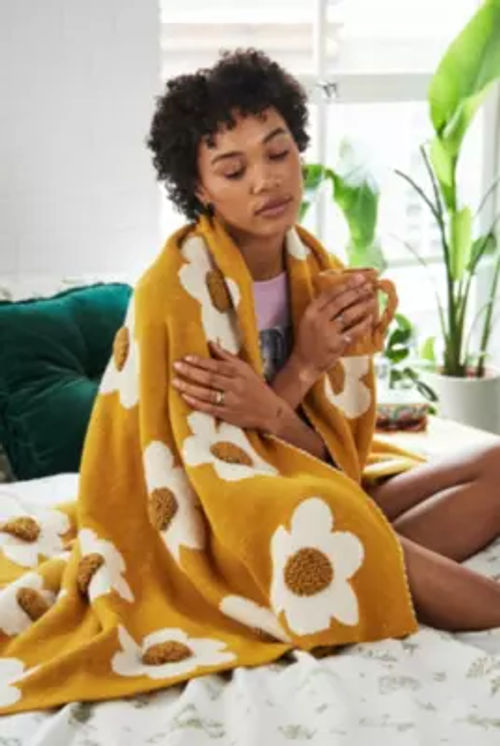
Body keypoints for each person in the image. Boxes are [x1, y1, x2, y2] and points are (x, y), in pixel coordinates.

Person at [147, 48, 500, 632]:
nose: (267, 179)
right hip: (231, 522)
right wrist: (302, 368)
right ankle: (367, 559)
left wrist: (295, 389)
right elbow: (222, 476)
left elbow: (335, 455)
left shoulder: (317, 270)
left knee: (493, 460)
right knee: (331, 511)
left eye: (279, 151)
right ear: (200, 188)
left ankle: (359, 558)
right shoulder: (179, 289)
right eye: (234, 171)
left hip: (318, 485)